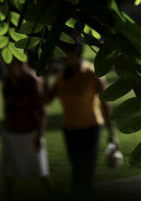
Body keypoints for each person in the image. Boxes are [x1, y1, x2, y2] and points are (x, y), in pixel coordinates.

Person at [44, 42, 120, 199]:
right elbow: (46, 100)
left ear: (76, 51)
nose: (61, 57)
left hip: (91, 129)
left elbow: (106, 105)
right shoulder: (62, 76)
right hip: (70, 130)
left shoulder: (92, 72)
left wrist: (112, 133)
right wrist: (47, 77)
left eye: (64, 53)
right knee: (77, 170)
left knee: (84, 172)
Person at [1, 58, 53, 200]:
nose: (9, 65)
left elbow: (41, 109)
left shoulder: (32, 80)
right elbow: (7, 107)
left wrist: (39, 134)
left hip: (30, 132)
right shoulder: (8, 81)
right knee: (8, 172)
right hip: (12, 131)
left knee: (41, 172)